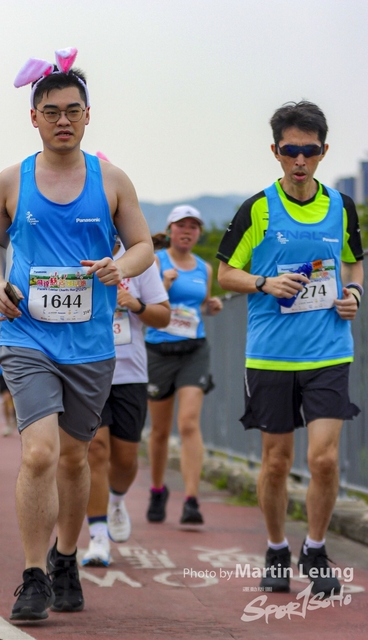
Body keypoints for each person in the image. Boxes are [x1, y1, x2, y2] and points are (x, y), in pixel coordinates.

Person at [0, 48, 153, 622]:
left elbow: (143, 246)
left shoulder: (112, 180)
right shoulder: (12, 180)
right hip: (27, 335)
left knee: (76, 459)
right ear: (34, 117)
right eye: (51, 111)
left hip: (91, 343)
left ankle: (66, 557)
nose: (62, 120)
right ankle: (33, 576)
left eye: (72, 111)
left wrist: (119, 268)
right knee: (39, 454)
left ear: (87, 116)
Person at [217, 101, 364, 597]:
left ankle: (316, 549)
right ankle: (277, 548)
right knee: (277, 461)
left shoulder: (341, 207)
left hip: (329, 349)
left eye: (310, 150)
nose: (300, 160)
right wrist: (264, 282)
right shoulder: (257, 209)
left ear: (324, 151)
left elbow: (354, 262)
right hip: (271, 354)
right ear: (276, 151)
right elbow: (225, 273)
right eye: (290, 150)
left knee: (323, 460)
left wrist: (354, 293)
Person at [82, 237, 170, 566]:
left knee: (125, 460)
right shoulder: (78, 254)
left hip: (129, 374)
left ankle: (116, 500)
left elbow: (164, 316)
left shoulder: (140, 260)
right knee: (96, 451)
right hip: (87, 369)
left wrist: (136, 304)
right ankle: (98, 537)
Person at [145, 205, 223, 525]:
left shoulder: (205, 268)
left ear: (198, 233)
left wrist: (211, 305)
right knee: (160, 431)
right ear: (170, 230)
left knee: (189, 422)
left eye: (193, 226)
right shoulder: (155, 261)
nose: (187, 231)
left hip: (194, 349)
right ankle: (157, 489)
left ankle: (191, 499)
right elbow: (145, 304)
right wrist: (163, 284)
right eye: (181, 225)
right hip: (159, 350)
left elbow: (199, 305)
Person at [0, 330, 16, 436]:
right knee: (6, 399)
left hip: (15, 372)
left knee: (15, 400)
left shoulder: (16, 333)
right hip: (2, 373)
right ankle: (8, 424)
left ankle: (16, 420)